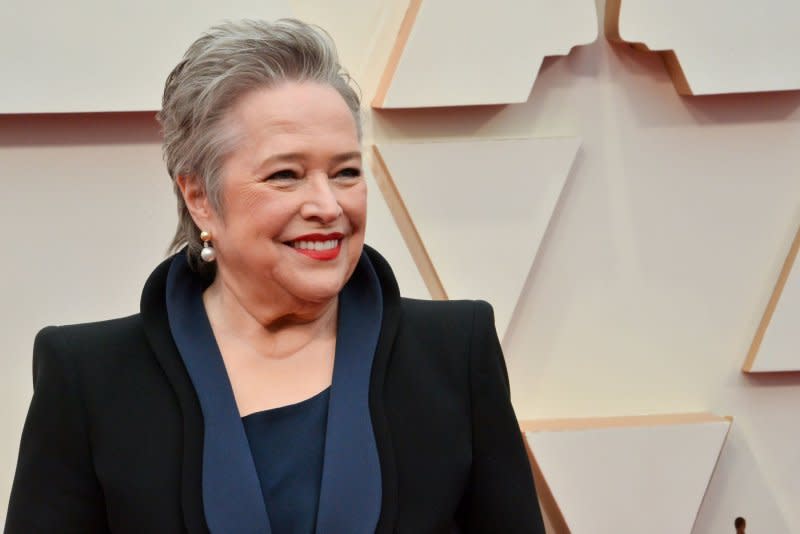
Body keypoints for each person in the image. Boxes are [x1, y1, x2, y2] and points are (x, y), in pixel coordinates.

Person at [4, 19, 544, 533]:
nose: (328, 205)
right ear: (200, 197)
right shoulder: (88, 378)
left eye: (346, 172)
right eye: (286, 175)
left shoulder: (455, 353)